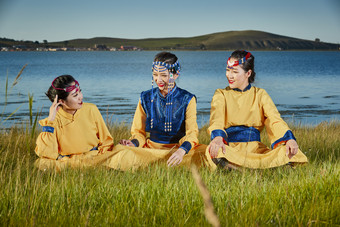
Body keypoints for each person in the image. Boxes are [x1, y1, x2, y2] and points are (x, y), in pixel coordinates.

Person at [206, 50, 308, 170]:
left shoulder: (260, 94)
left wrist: (289, 139)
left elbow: (274, 119)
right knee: (214, 151)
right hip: (230, 148)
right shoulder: (221, 94)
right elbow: (216, 119)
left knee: (291, 151)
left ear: (248, 73)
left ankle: (239, 169)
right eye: (228, 70)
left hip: (256, 150)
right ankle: (262, 170)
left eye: (234, 71)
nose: (229, 75)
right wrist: (218, 138)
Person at [107, 52, 206, 171]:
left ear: (175, 74)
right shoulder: (145, 97)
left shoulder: (188, 99)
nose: (158, 80)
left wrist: (182, 150)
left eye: (163, 75)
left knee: (209, 153)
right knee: (119, 149)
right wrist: (133, 143)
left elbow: (192, 134)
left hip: (178, 151)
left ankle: (158, 164)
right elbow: (139, 133)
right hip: (150, 150)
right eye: (155, 74)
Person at [34, 75, 115, 171]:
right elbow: (46, 153)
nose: (81, 97)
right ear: (62, 101)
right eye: (75, 95)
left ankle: (91, 167)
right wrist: (50, 120)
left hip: (94, 158)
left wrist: (102, 156)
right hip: (67, 162)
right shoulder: (54, 119)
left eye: (80, 91)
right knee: (42, 163)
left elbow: (106, 141)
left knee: (125, 152)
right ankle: (88, 168)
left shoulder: (91, 109)